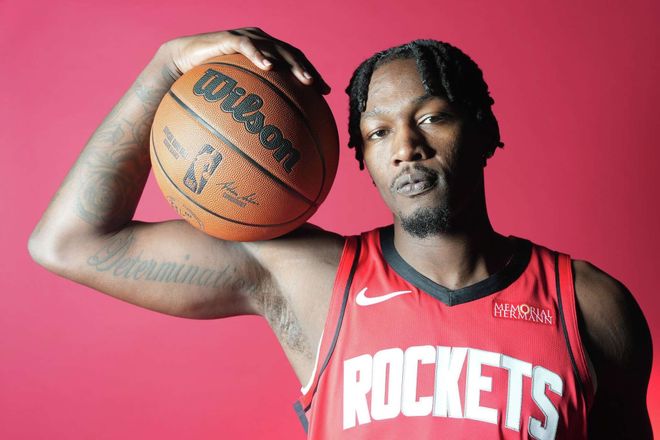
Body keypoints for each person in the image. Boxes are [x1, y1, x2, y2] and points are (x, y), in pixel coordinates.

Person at [28, 28, 652, 439]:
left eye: (432, 117)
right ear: (360, 157)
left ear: (485, 130)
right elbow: (70, 243)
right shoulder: (311, 281)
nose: (405, 147)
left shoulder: (591, 307)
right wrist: (167, 65)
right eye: (378, 132)